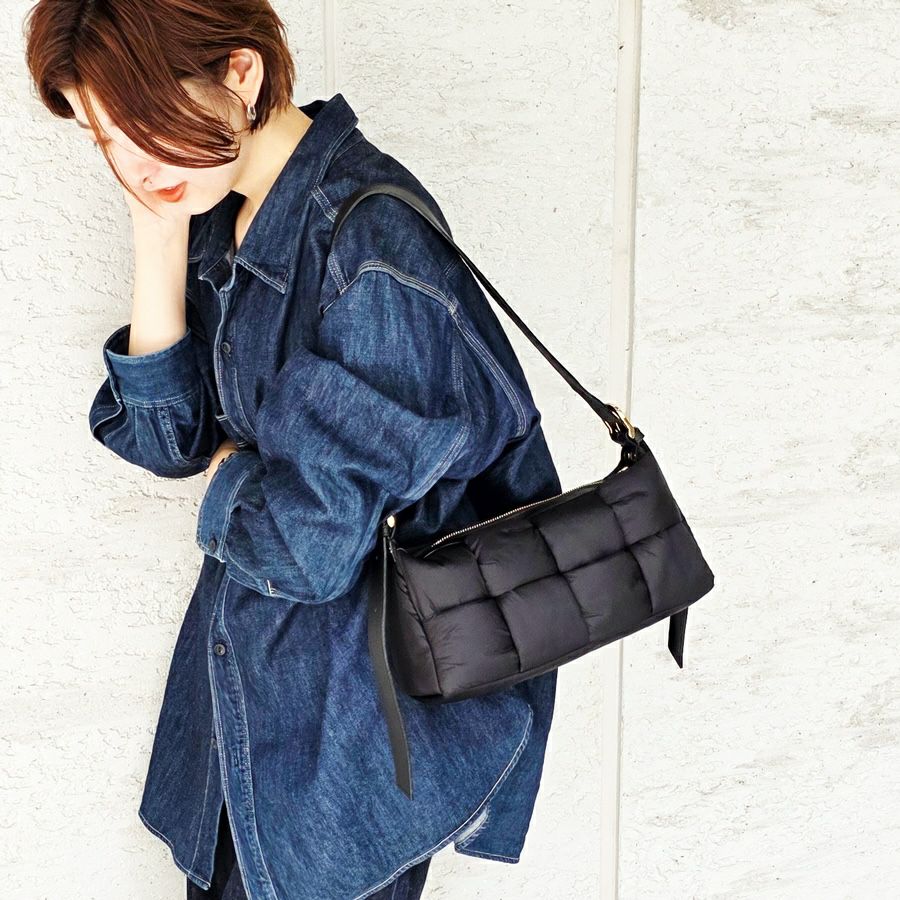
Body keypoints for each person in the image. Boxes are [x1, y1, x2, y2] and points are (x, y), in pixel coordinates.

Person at [24, 2, 563, 898]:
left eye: (145, 122)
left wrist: (231, 473)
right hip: (250, 711)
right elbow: (167, 439)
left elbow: (303, 547)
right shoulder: (222, 211)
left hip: (351, 749)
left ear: (240, 73)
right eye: (104, 138)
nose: (131, 165)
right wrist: (156, 233)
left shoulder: (371, 259)